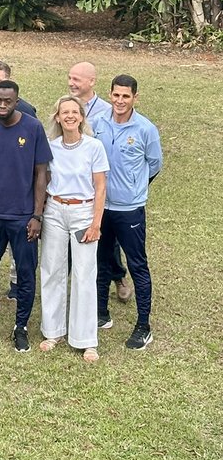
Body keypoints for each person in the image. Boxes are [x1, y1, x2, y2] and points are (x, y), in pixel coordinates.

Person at [0, 80, 52, 352]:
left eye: (8, 101)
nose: (2, 105)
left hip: (23, 216)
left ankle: (21, 327)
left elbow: (41, 174)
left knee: (26, 273)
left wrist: (37, 215)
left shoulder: (33, 127)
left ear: (17, 101)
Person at [96, 74, 163, 350]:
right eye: (116, 95)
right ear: (109, 94)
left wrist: (134, 190)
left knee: (137, 265)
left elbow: (154, 164)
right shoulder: (98, 124)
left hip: (130, 210)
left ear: (135, 97)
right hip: (100, 207)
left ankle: (143, 326)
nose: (120, 101)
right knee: (100, 262)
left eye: (126, 96)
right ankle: (100, 314)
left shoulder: (145, 129)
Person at [40, 96, 109, 362]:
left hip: (83, 212)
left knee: (83, 273)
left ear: (81, 117)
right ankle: (52, 331)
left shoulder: (94, 147)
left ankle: (85, 339)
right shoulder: (51, 147)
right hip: (55, 210)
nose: (69, 116)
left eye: (74, 112)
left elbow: (101, 187)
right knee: (52, 269)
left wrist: (96, 223)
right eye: (64, 112)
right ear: (57, 117)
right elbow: (43, 179)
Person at [69, 60, 130, 299]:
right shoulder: (67, 106)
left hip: (100, 183)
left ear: (91, 82)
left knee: (106, 235)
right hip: (74, 184)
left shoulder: (108, 110)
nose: (71, 83)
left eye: (77, 79)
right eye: (70, 78)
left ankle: (118, 276)